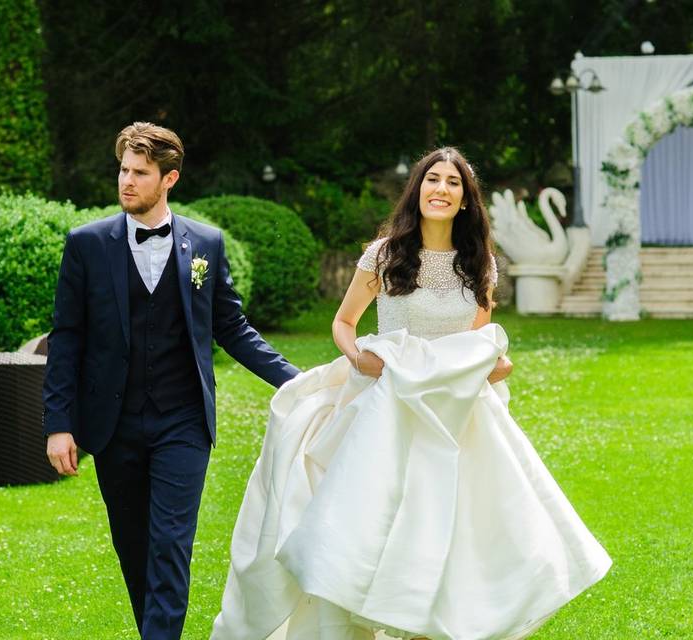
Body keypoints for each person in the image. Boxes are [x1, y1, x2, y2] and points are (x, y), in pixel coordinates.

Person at [212, 147, 611, 639]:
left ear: (465, 200)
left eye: (453, 183)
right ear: (417, 190)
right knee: (371, 524)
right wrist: (359, 358)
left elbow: (477, 340)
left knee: (457, 530)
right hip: (386, 410)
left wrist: (491, 364)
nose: (440, 189)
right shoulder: (384, 254)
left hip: (456, 418)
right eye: (432, 180)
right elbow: (344, 322)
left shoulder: (480, 263)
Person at [42, 122, 300, 639]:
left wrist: (300, 382)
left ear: (170, 178)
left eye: (140, 173)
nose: (127, 182)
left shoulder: (205, 244)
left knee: (170, 544)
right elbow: (67, 338)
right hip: (112, 424)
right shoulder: (86, 245)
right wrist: (58, 424)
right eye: (123, 170)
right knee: (134, 547)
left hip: (182, 421)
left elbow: (233, 328)